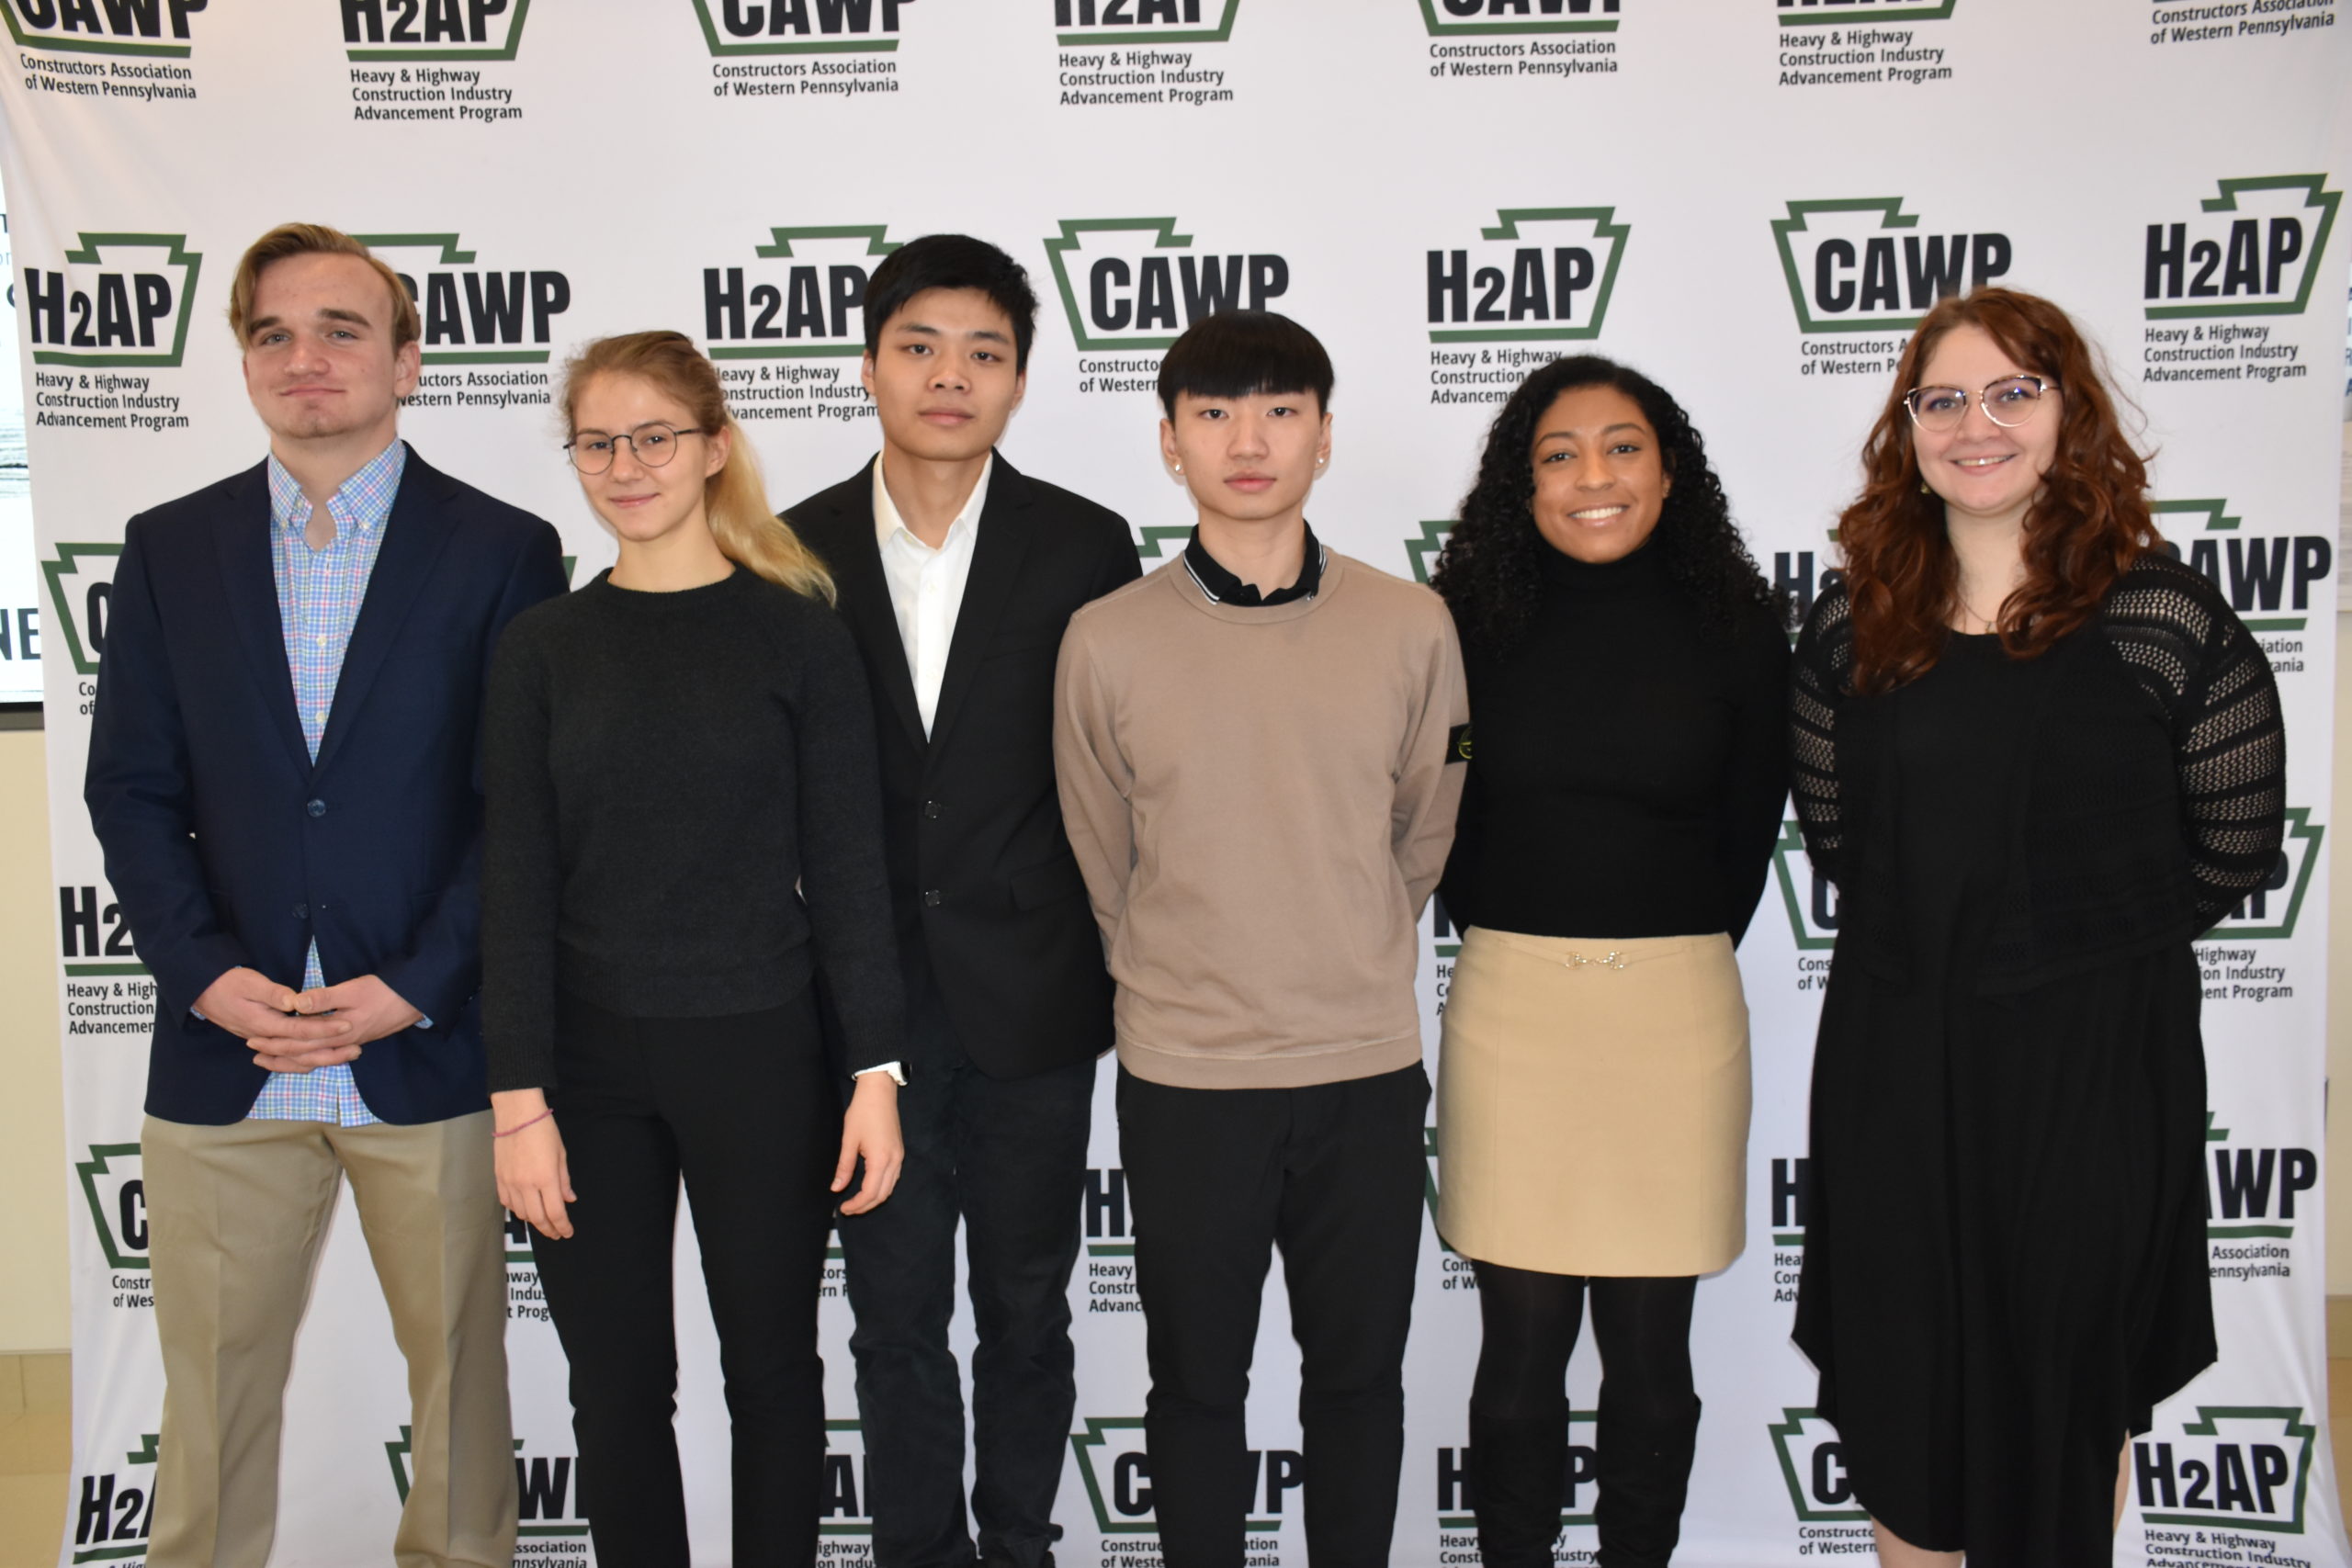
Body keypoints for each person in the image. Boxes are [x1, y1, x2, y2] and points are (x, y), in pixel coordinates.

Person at [83, 222, 566, 1568]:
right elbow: (131, 789)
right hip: (227, 1053)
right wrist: (203, 973)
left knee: (461, 1399)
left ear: (407, 363)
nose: (305, 358)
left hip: (428, 1047)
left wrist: (418, 983)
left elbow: (521, 809)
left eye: (342, 330)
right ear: (243, 362)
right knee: (206, 1407)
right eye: (272, 333)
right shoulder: (170, 548)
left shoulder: (503, 548)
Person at [1788, 288, 2286, 1566]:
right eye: (1944, 400)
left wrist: (2076, 948)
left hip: (2092, 1078)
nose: (1978, 425)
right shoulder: (1853, 624)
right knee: (1905, 1386)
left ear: (2071, 413)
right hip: (1900, 1070)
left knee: (2066, 1388)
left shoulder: (2162, 618)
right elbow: (1842, 846)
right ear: (1909, 429)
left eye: (2014, 391)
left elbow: (2233, 844)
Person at [482, 331, 905, 1568]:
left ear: (715, 447)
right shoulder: (541, 648)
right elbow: (514, 885)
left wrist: (876, 1073)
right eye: (598, 442)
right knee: (615, 1388)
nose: (626, 466)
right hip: (582, 1073)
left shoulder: (798, 636)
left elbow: (848, 871)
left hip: (762, 1054)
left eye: (655, 437)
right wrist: (518, 1102)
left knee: (772, 1373)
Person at [1054, 309, 1468, 1568]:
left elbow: (1422, 831)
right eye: (1217, 414)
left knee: (1359, 1381)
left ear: (1325, 438)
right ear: (1170, 442)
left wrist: (1337, 935)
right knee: (1194, 1386)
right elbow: (1104, 855)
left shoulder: (1410, 625)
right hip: (1188, 1078)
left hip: (1363, 1070)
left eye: (1282, 412)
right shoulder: (1107, 638)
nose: (1250, 442)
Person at [782, 235, 1137, 1568]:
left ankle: (1020, 1546)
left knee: (1028, 1311)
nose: (950, 376)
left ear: (1020, 382)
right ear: (870, 366)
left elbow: (1117, 764)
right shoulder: (790, 548)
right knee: (891, 1321)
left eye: (984, 353)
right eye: (919, 347)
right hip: (858, 1005)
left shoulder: (1086, 544)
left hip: (1033, 995)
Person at [1429, 355, 1790, 1568]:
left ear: (1669, 469)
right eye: (1560, 454)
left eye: (1622, 446)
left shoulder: (1741, 628)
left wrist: (1654, 942)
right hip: (1512, 1012)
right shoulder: (1461, 625)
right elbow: (1447, 811)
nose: (1595, 476)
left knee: (1650, 1354)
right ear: (1521, 485)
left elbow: (1749, 832)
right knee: (1519, 1351)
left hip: (1675, 1018)